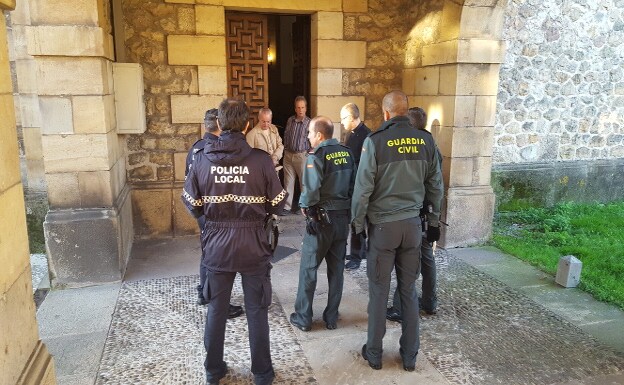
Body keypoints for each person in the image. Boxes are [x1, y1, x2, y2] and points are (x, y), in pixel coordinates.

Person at [182, 98, 286, 385]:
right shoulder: (261, 160)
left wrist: (209, 225)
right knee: (257, 311)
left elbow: (190, 201)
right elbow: (278, 202)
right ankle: (262, 374)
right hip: (254, 245)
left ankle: (213, 370)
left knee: (216, 310)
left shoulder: (202, 159)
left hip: (216, 247)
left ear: (219, 124)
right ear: (247, 125)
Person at [351, 91, 443, 372]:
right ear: (405, 111)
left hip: (383, 228)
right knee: (408, 291)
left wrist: (357, 226)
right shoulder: (426, 140)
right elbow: (436, 187)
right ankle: (410, 356)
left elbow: (362, 189)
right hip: (413, 227)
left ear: (386, 112)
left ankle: (375, 353)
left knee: (379, 291)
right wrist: (435, 223)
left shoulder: (375, 142)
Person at [289, 116, 355, 332]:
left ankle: (303, 317)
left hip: (321, 221)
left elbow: (311, 190)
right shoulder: (347, 153)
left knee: (309, 268)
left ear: (319, 135)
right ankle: (331, 317)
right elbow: (355, 186)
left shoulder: (316, 156)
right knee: (336, 270)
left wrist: (305, 207)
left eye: (309, 132)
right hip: (342, 220)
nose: (307, 136)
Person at [386, 106, 444, 322]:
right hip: (426, 212)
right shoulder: (430, 144)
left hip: (417, 213)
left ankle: (401, 307)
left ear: (410, 124)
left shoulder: (419, 146)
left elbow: (434, 185)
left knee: (410, 262)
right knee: (426, 257)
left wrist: (433, 220)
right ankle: (429, 301)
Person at [185, 108, 243, 319]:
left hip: (202, 210)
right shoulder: (216, 149)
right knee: (220, 258)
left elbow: (189, 184)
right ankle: (220, 302)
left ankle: (204, 291)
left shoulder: (195, 149)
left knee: (207, 250)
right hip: (216, 211)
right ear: (220, 125)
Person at [340, 103, 371, 271]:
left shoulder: (367, 136)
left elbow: (364, 164)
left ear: (351, 117)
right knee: (357, 220)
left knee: (357, 220)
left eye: (343, 118)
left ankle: (356, 255)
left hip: (361, 185)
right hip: (352, 184)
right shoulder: (350, 134)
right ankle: (361, 251)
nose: (342, 122)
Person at [281, 96, 311, 215]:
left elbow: (311, 140)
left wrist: (308, 154)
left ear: (306, 108)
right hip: (289, 155)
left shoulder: (309, 123)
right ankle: (287, 207)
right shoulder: (290, 120)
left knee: (303, 182)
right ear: (295, 108)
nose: (300, 110)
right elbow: (286, 135)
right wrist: (286, 149)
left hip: (301, 156)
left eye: (302, 107)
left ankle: (304, 206)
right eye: (298, 107)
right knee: (288, 182)